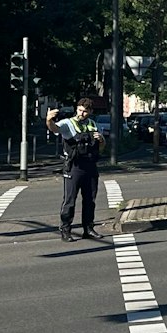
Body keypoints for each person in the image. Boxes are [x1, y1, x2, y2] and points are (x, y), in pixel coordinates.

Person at [54, 98, 104, 241]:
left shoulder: (94, 125)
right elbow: (54, 129)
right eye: (80, 110)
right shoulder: (68, 123)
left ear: (90, 112)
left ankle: (88, 229)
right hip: (74, 166)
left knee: (90, 200)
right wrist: (49, 120)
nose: (81, 113)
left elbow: (101, 148)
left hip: (90, 166)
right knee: (70, 200)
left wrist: (101, 140)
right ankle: (65, 230)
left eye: (85, 111)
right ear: (76, 109)